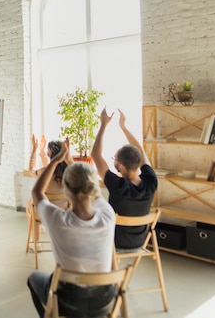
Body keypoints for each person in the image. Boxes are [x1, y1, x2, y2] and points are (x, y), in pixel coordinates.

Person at [27, 139, 116, 318]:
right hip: (104, 301)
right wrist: (69, 160)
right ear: (93, 188)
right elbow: (92, 188)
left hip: (69, 301)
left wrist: (55, 160)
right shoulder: (108, 214)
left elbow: (37, 193)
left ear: (66, 190)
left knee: (33, 278)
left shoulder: (57, 220)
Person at [91, 108, 158, 250]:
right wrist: (123, 127)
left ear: (120, 165)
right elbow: (140, 150)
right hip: (140, 242)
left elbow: (95, 155)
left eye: (114, 159)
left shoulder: (118, 185)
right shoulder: (151, 182)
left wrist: (103, 124)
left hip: (114, 242)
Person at [25, 134, 72, 252]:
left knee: (30, 206)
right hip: (63, 212)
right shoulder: (70, 172)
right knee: (33, 205)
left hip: (43, 214)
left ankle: (36, 244)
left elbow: (31, 170)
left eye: (47, 151)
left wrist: (35, 149)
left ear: (50, 154)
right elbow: (51, 166)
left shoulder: (43, 172)